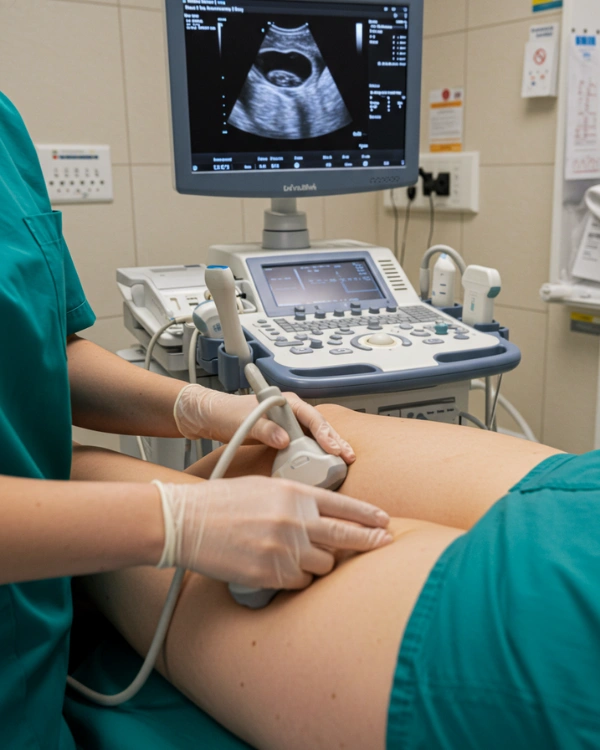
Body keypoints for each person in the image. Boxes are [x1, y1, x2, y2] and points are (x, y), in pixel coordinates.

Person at [0, 91, 394, 750]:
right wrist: (179, 521)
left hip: (43, 628)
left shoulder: (5, 125)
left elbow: (44, 351)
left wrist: (200, 408)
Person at [62, 409, 600, 750]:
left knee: (72, 472)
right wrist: (192, 407)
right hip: (585, 504)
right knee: (315, 431)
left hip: (560, 650)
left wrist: (179, 523)